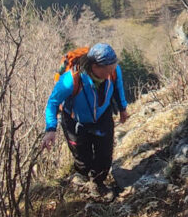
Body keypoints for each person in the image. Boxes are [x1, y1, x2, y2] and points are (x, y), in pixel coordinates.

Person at [42, 43, 129, 201]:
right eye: (107, 69)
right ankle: (84, 176)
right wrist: (50, 129)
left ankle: (98, 184)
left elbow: (118, 88)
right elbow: (52, 103)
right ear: (95, 66)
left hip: (102, 118)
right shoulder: (71, 80)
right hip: (75, 123)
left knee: (104, 158)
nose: (111, 72)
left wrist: (123, 108)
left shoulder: (114, 71)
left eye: (113, 68)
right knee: (83, 160)